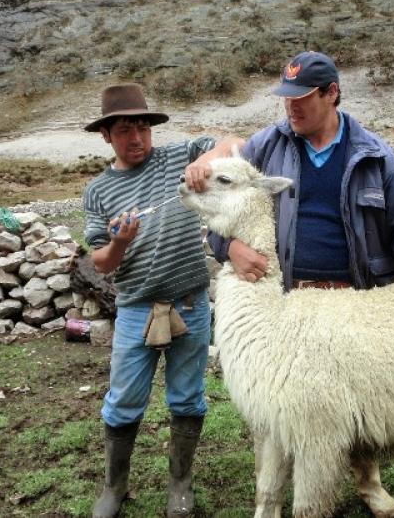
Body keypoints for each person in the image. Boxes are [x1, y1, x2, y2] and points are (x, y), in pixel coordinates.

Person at [183, 49, 394, 515]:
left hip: (357, 298)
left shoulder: (373, 156)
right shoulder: (272, 143)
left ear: (331, 94)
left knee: (352, 406)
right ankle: (269, 497)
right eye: (286, 98)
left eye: (303, 98)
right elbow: (228, 187)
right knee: (284, 409)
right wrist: (227, 246)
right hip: (294, 300)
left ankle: (367, 484)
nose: (291, 108)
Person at [82, 83, 238, 518]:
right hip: (135, 307)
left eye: (143, 128)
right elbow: (101, 262)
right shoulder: (98, 191)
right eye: (125, 130)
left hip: (189, 301)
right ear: (106, 135)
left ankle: (180, 484)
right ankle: (115, 487)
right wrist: (118, 243)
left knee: (187, 399)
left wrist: (205, 162)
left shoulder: (176, 158)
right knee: (124, 400)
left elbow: (232, 143)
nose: (137, 139)